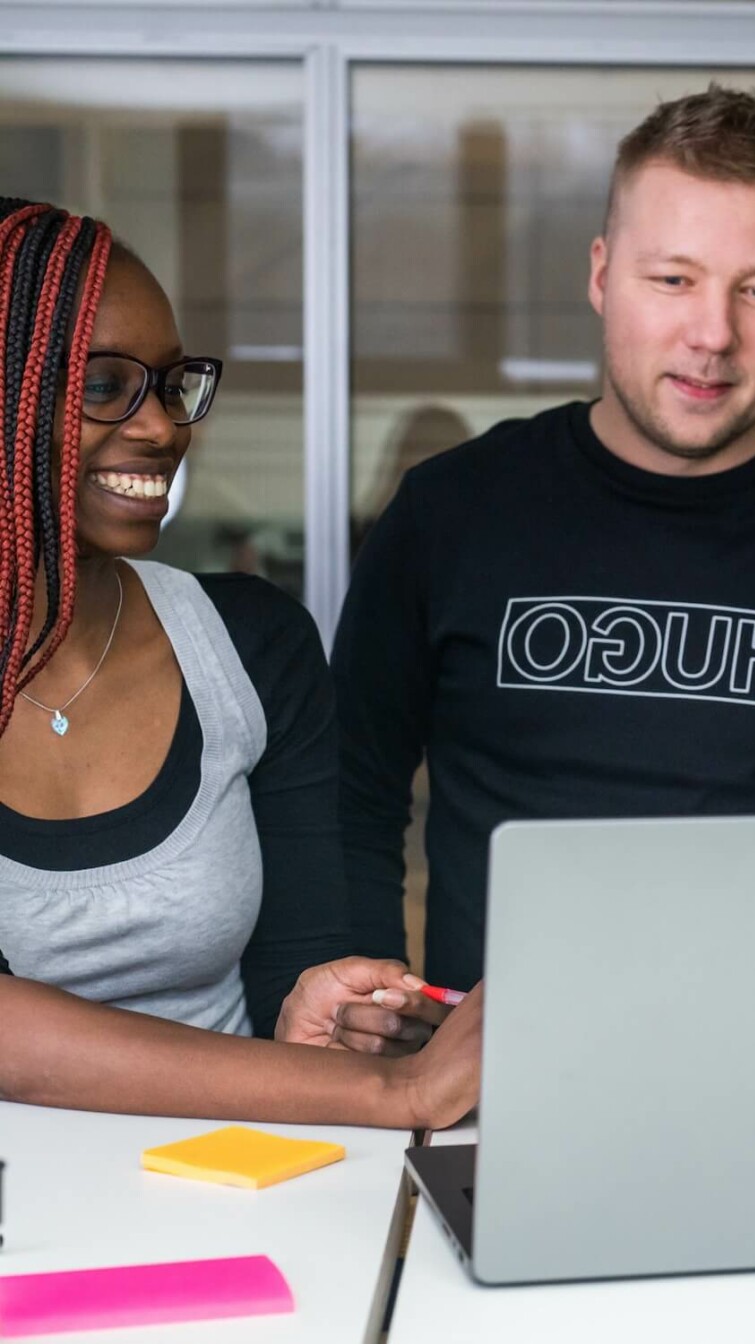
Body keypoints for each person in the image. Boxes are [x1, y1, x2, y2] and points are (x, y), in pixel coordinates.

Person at [334, 86, 755, 992]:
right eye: (672, 279)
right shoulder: (452, 514)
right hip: (498, 1080)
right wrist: (380, 1000)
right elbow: (351, 795)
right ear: (601, 275)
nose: (713, 334)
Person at [0, 198, 478, 1126]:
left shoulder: (252, 644)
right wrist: (397, 1090)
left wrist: (316, 1017)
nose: (163, 428)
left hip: (241, 1186)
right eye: (105, 385)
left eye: (174, 385)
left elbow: (293, 981)